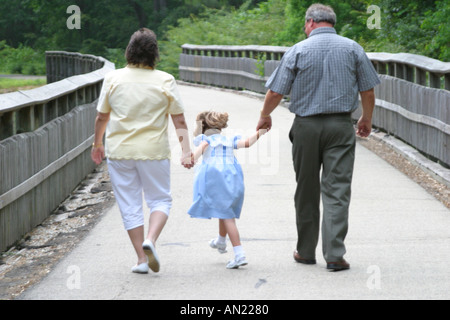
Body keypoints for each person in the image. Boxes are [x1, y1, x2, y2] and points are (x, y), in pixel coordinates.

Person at [256, 4, 380, 271]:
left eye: (304, 24)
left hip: (306, 127)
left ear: (311, 22)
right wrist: (366, 118)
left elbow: (276, 93)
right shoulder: (353, 48)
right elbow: (368, 91)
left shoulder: (297, 50)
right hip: (339, 126)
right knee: (336, 191)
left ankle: (305, 251)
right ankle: (334, 254)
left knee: (307, 189)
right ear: (330, 22)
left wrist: (265, 115)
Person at [91, 28, 193, 274]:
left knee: (130, 204)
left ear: (128, 51)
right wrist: (186, 151)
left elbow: (101, 117)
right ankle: (151, 240)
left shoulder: (113, 79)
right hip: (153, 152)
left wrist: (97, 144)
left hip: (120, 152)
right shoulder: (165, 80)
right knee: (160, 199)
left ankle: (141, 259)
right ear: (154, 54)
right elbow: (179, 121)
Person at [188, 111, 266, 269]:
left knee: (227, 215)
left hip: (214, 178)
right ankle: (221, 241)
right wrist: (261, 132)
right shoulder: (228, 140)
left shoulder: (205, 140)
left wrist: (192, 158)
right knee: (224, 209)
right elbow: (247, 143)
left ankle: (239, 254)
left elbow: (200, 149)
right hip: (232, 177)